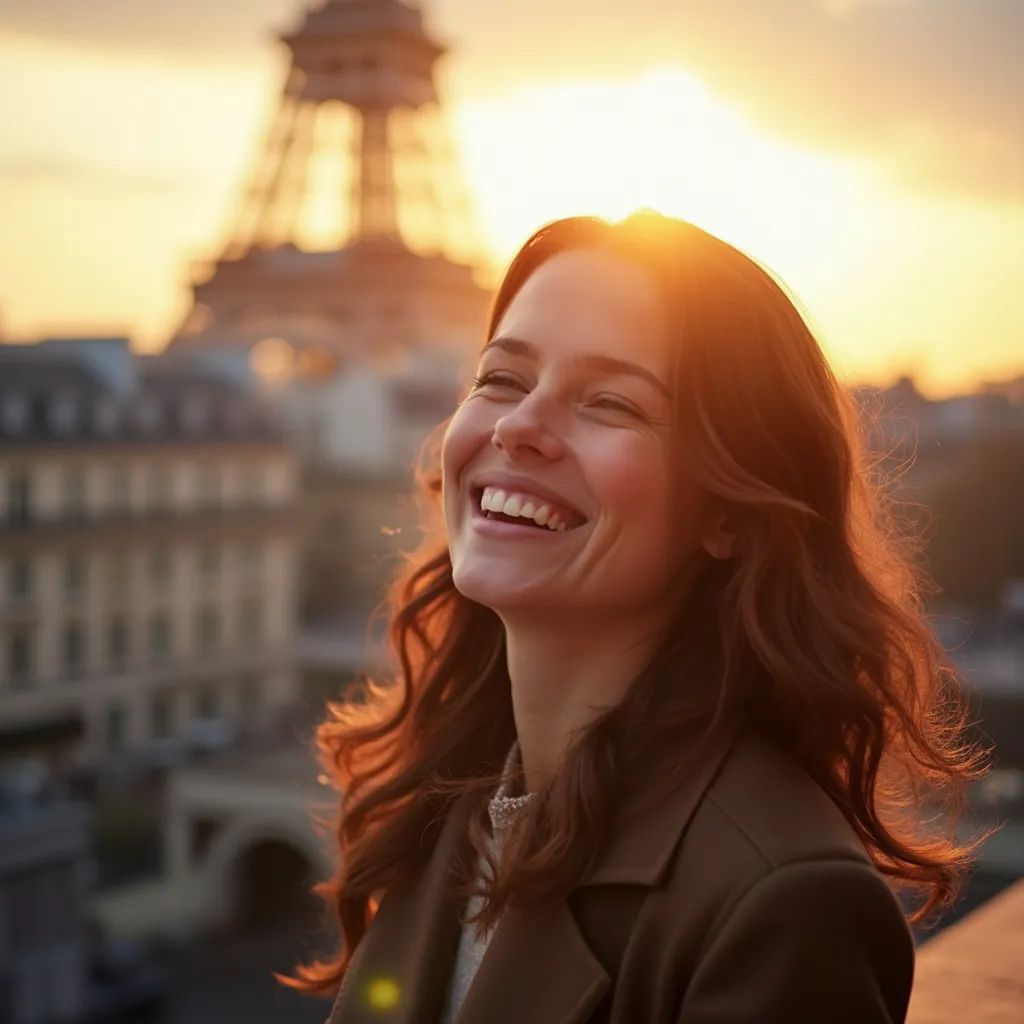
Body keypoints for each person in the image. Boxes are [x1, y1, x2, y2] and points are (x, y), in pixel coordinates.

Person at [286, 212, 989, 1023]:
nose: (518, 426)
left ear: (728, 512)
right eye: (501, 380)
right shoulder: (456, 803)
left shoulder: (785, 905)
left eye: (610, 402)